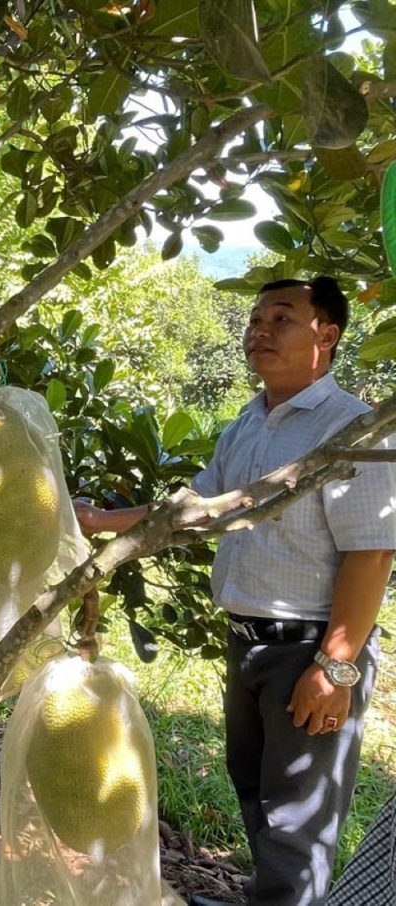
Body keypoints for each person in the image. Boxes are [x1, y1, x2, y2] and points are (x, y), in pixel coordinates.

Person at [75, 277, 396, 906]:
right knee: (253, 788)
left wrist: (336, 665)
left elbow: (373, 553)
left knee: (297, 816)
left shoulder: (353, 430)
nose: (259, 331)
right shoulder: (249, 422)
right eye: (255, 319)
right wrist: (96, 521)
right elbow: (196, 511)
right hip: (246, 641)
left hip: (308, 647)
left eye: (282, 318)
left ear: (325, 336)